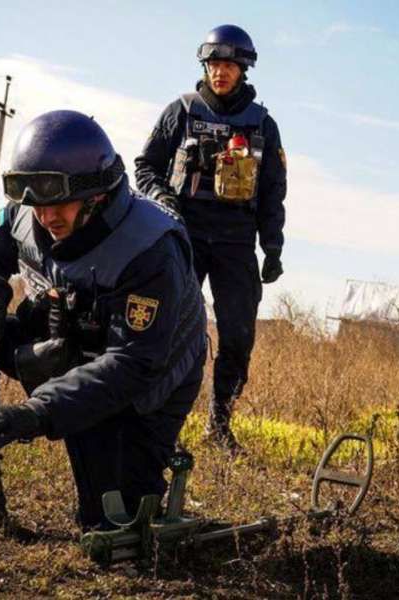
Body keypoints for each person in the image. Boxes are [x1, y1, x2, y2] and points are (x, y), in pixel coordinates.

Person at [0, 110, 207, 533]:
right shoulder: (31, 211)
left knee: (111, 527)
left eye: (57, 206)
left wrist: (34, 413)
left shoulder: (152, 249)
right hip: (63, 340)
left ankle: (141, 487)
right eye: (36, 207)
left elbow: (133, 364)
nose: (46, 219)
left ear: (95, 193)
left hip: (146, 378)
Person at [134, 24, 287, 451]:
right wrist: (164, 199)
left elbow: (274, 190)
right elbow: (144, 167)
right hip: (183, 236)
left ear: (243, 70)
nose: (220, 73)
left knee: (238, 336)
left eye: (228, 66)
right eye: (214, 65)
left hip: (237, 242)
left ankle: (219, 425)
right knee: (171, 330)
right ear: (205, 66)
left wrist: (272, 248)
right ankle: (157, 420)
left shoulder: (263, 125)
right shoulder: (180, 111)